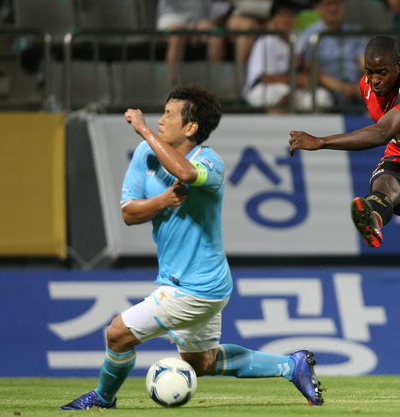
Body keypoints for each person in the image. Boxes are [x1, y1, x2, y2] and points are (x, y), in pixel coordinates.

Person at [59, 84, 324, 410]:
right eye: (163, 113)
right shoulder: (146, 154)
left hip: (198, 286)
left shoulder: (210, 162)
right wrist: (162, 201)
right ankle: (291, 366)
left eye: (170, 114)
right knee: (202, 362)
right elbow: (129, 213)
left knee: (117, 334)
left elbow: (184, 172)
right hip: (182, 280)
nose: (161, 120)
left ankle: (102, 398)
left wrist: (143, 129)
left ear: (191, 127)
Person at [288, 35, 400, 403]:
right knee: (385, 183)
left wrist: (320, 141)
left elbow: (382, 131)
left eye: (381, 72)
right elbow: (391, 139)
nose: (373, 80)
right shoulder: (368, 86)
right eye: (368, 72)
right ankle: (373, 215)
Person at [243, 0, 334, 112]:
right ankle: (277, 123)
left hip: (295, 87)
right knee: (285, 94)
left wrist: (305, 77)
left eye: (291, 15)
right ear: (273, 19)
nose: (287, 19)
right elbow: (265, 77)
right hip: (263, 87)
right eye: (283, 15)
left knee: (321, 98)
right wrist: (296, 80)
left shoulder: (300, 40)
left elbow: (306, 68)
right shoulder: (266, 42)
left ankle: (317, 124)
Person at [296, 0, 368, 112]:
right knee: (321, 99)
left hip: (356, 86)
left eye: (337, 4)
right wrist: (339, 86)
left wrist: (365, 84)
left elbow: (364, 63)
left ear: (343, 7)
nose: (333, 8)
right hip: (328, 87)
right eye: (328, 4)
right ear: (319, 8)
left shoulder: (354, 32)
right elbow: (310, 68)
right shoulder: (310, 35)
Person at [157, 0, 227, 86]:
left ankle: (215, 84)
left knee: (216, 36)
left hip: (199, 19)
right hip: (172, 17)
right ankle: (173, 86)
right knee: (177, 37)